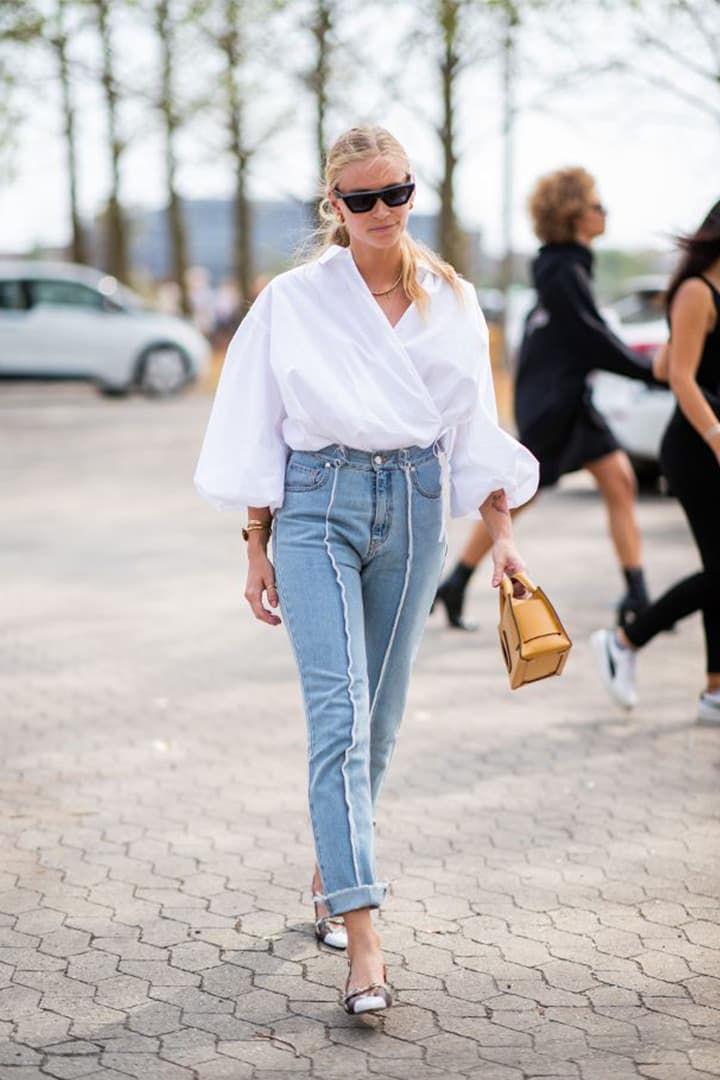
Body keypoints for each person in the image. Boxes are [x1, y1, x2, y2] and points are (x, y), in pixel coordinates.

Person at [194, 126, 538, 1014]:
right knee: (339, 719)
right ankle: (365, 938)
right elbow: (257, 420)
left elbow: (473, 428)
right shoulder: (294, 300)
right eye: (362, 199)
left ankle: (331, 868)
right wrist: (256, 541)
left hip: (419, 512)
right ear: (332, 206)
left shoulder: (454, 299)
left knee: (378, 724)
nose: (383, 211)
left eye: (397, 193)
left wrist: (501, 535)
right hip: (316, 505)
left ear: (412, 193)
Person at [435, 167, 663, 630]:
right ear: (574, 214)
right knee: (516, 496)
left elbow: (586, 338)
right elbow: (590, 339)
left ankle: (637, 594)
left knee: (619, 480)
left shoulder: (569, 264)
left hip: (569, 396)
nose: (605, 213)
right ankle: (455, 581)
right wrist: (651, 372)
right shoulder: (561, 269)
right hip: (552, 402)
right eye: (598, 205)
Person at [591, 200, 720, 723]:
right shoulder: (696, 292)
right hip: (696, 447)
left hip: (707, 441)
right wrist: (715, 435)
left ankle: (715, 691)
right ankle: (625, 640)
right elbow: (684, 379)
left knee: (718, 569)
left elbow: (669, 365)